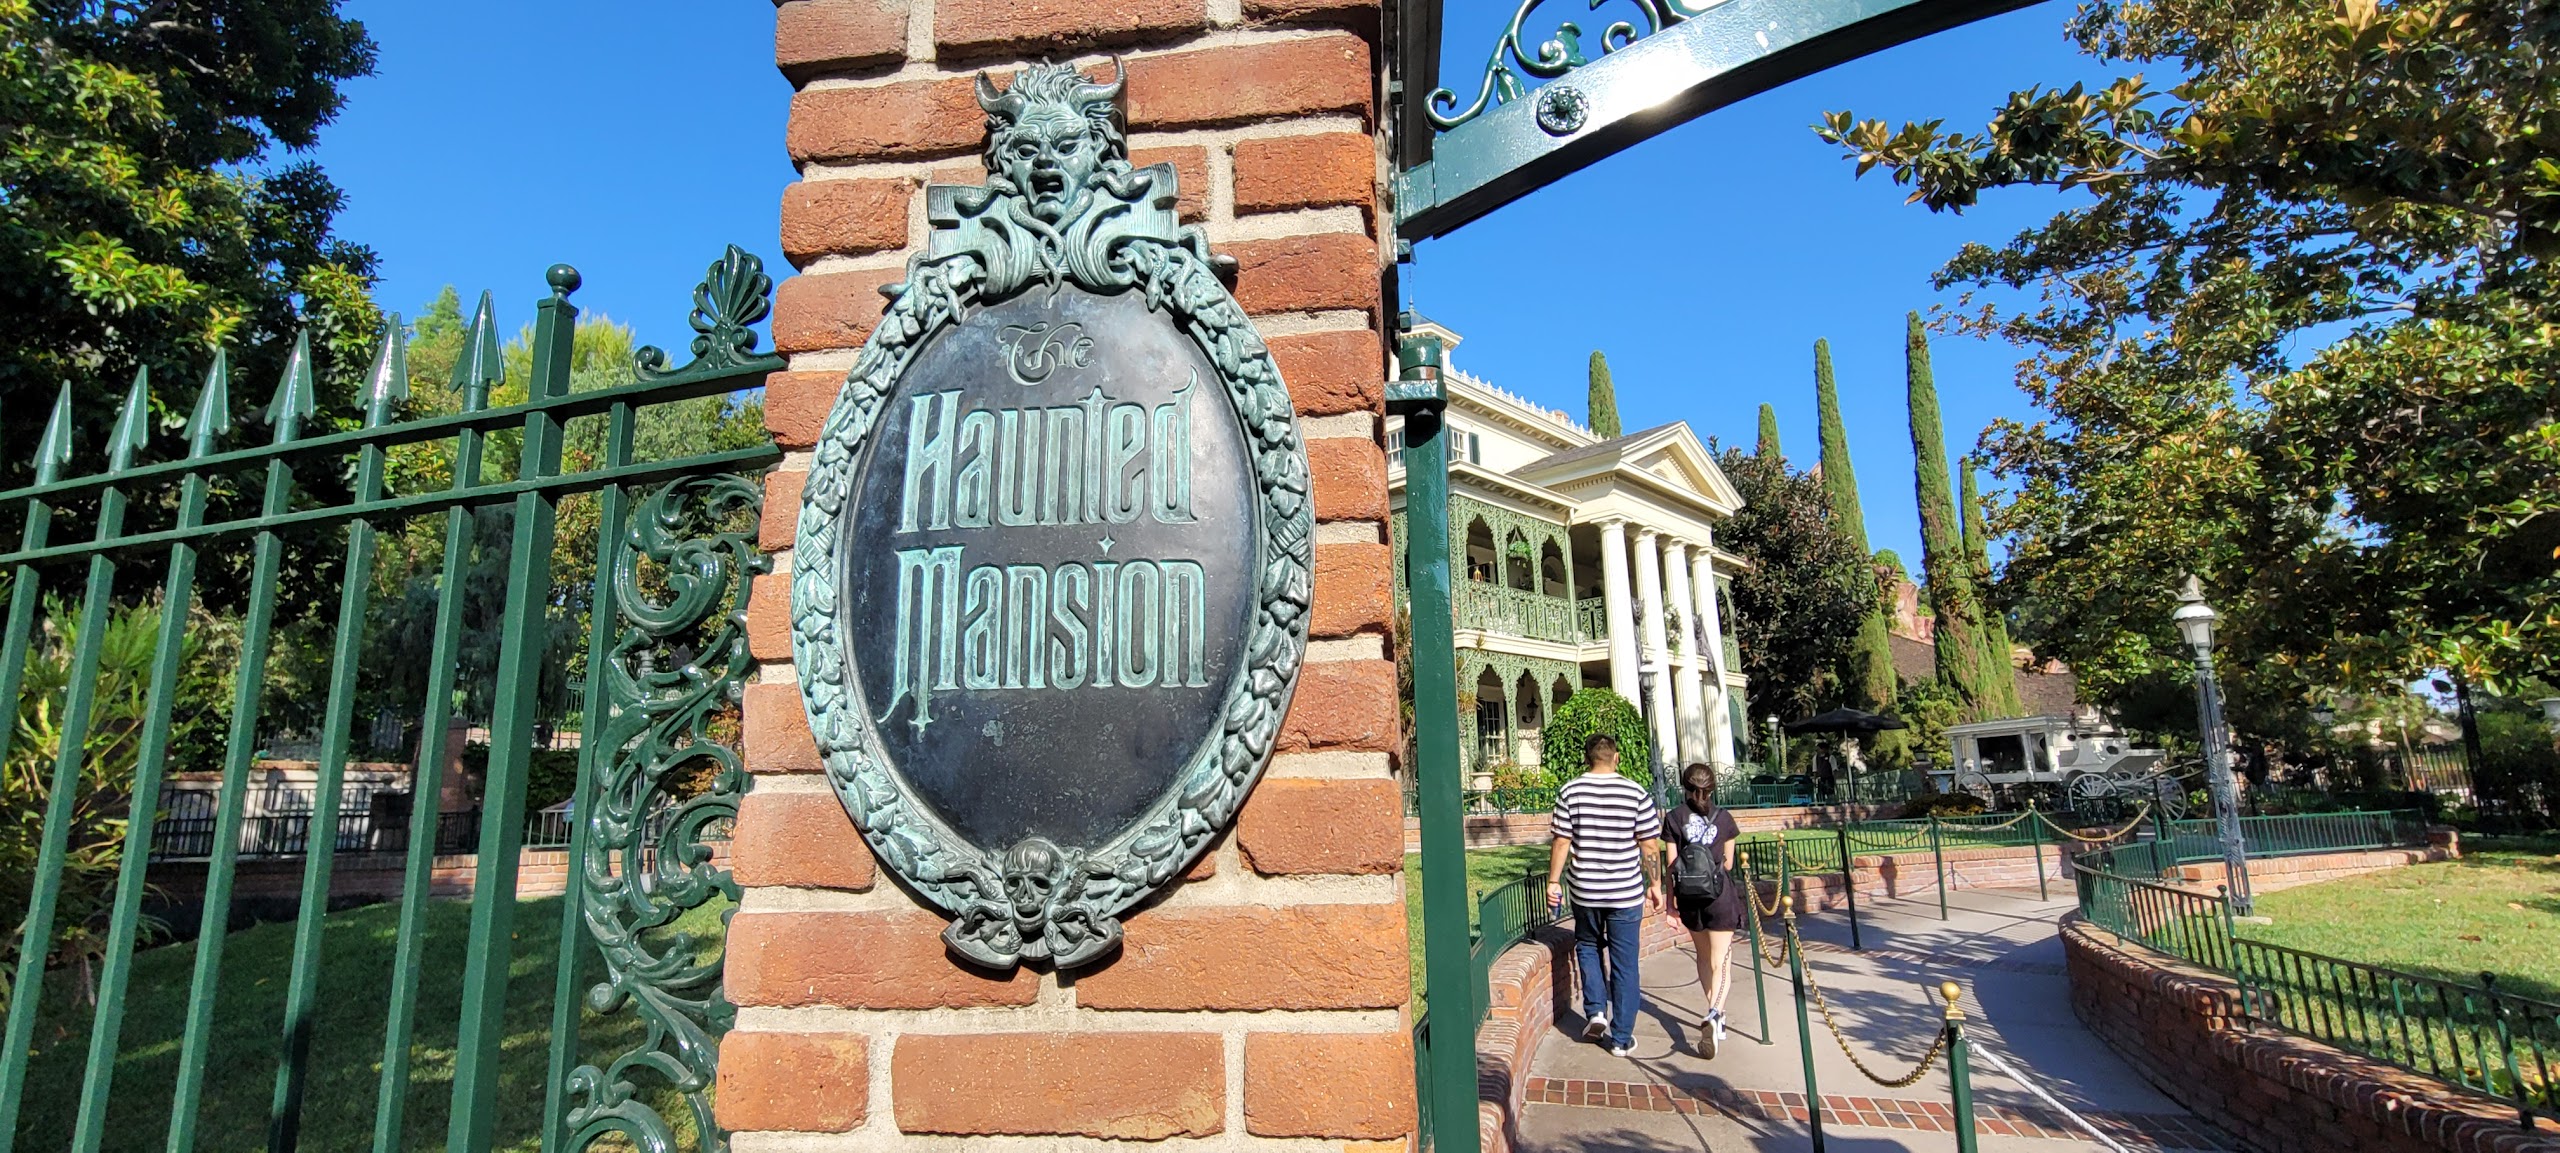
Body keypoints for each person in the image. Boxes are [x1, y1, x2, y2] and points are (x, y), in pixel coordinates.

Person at [1545, 734, 1662, 1057]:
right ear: (1617, 757)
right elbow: (1649, 845)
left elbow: (1561, 840)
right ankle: (1621, 1038)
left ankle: (1596, 1011)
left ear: (1587, 759)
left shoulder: (1570, 791)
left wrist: (1554, 881)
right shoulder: (1636, 793)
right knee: (1625, 963)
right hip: (1625, 892)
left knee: (1588, 946)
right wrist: (1655, 884)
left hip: (1586, 890)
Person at [1659, 762, 1744, 1056]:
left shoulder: (1674, 817)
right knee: (1722, 961)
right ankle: (1715, 1014)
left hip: (1689, 899)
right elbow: (1728, 864)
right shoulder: (1725, 818)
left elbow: (1671, 866)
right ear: (1713, 787)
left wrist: (1670, 906)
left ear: (1684, 787)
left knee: (1704, 957)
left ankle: (1715, 1013)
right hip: (1719, 896)